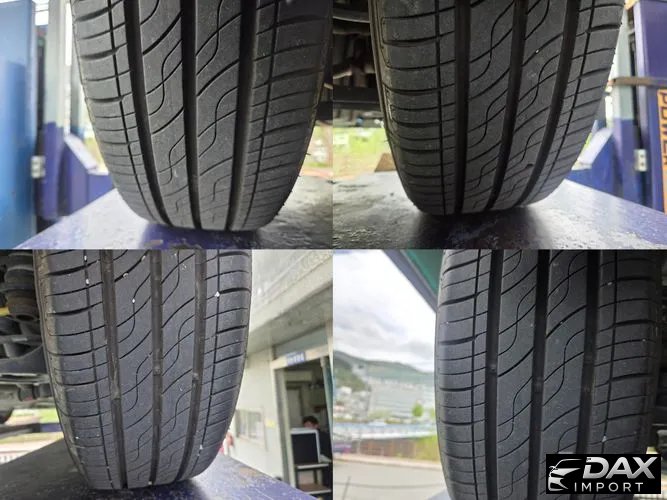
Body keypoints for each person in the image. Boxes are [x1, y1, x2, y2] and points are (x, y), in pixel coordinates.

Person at [302, 415, 332, 493]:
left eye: (309, 425)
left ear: (316, 425)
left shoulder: (323, 436)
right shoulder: (306, 437)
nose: (306, 428)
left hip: (326, 464)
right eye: (305, 426)